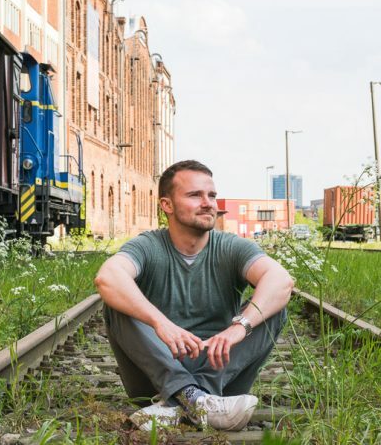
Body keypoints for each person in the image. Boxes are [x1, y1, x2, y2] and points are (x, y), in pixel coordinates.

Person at [94, 160, 293, 431]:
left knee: (272, 306)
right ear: (167, 205)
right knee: (117, 303)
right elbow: (108, 277)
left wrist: (239, 327)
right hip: (155, 376)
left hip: (220, 371)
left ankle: (180, 404)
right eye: (194, 195)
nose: (208, 202)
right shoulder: (148, 246)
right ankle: (192, 397)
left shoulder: (231, 247)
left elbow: (281, 280)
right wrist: (160, 323)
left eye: (211, 195)